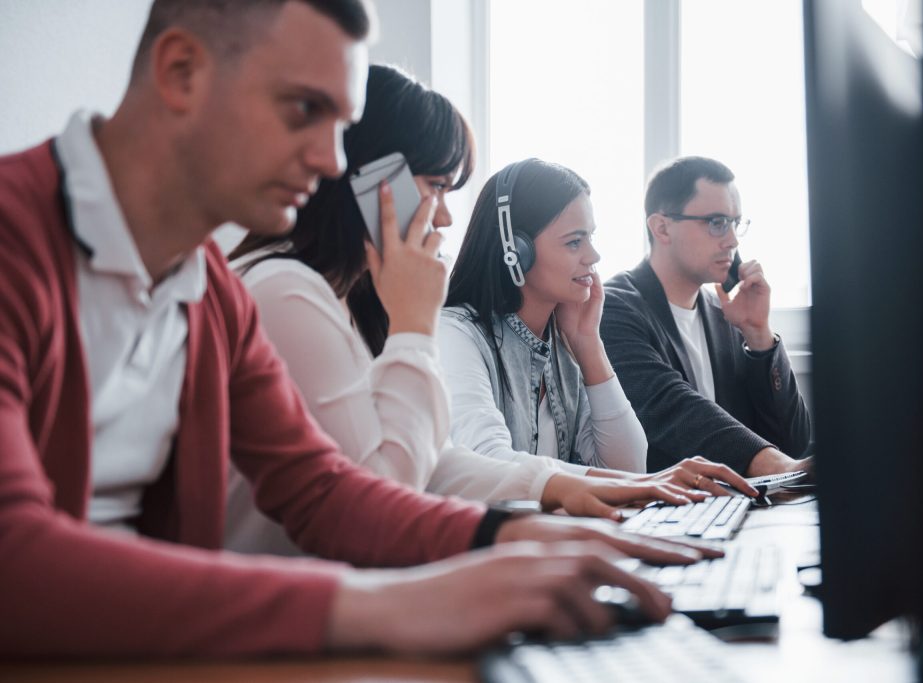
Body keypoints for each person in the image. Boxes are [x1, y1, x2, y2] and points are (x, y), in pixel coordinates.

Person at [0, 1, 708, 659]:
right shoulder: (16, 238)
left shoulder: (211, 288)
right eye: (304, 109)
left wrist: (511, 533)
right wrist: (393, 602)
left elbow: (321, 489)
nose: (334, 163)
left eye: (340, 127)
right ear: (181, 72)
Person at [224, 66, 703, 556]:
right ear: (369, 183)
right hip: (286, 604)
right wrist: (414, 325)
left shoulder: (354, 302)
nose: (446, 215)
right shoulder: (287, 292)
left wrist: (564, 487)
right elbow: (386, 488)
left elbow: (433, 460)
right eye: (435, 186)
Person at [439, 159, 756, 497]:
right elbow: (489, 460)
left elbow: (628, 464)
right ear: (516, 252)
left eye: (590, 237)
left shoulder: (564, 341)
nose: (594, 256)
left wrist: (589, 345)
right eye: (574, 242)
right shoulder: (456, 335)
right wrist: (643, 484)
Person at [601, 156, 813, 476]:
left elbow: (792, 441)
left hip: (734, 507)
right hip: (659, 512)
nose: (732, 240)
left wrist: (758, 334)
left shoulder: (725, 314)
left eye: (734, 222)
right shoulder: (614, 308)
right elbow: (671, 408)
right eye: (716, 222)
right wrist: (776, 464)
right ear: (661, 228)